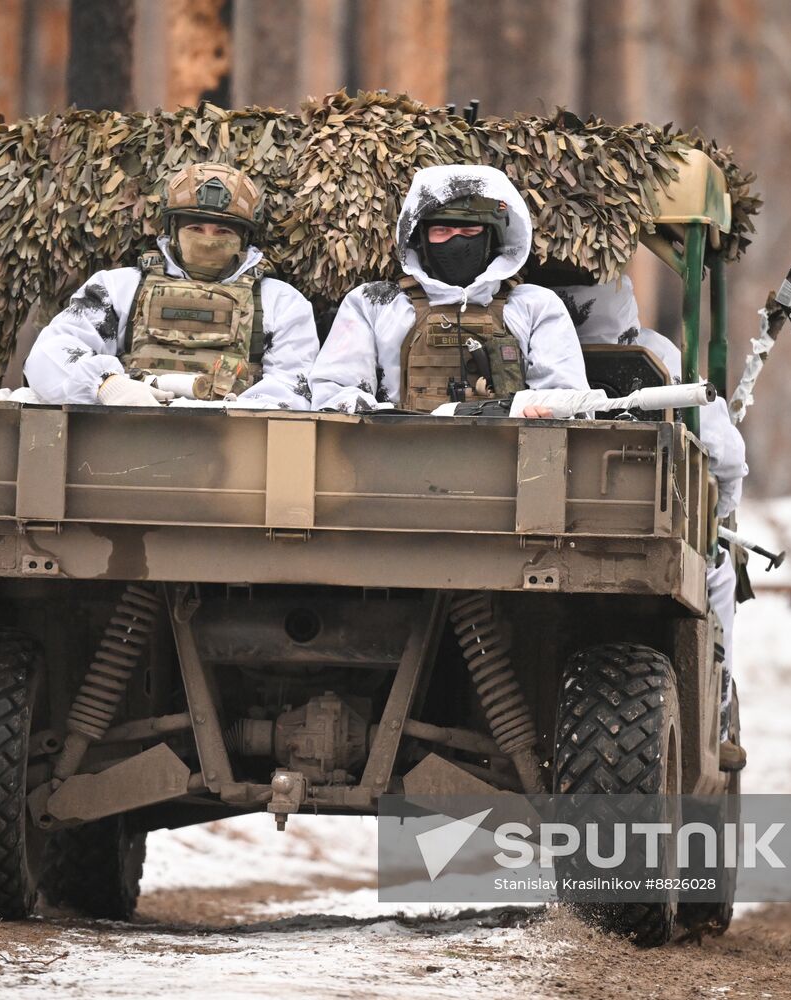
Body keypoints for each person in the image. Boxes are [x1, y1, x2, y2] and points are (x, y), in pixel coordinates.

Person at [559, 276, 748, 768]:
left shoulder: (520, 325)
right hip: (640, 527)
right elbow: (725, 454)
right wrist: (720, 508)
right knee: (720, 572)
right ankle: (719, 707)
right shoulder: (654, 353)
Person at [24, 162, 319, 409]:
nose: (207, 238)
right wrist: (108, 386)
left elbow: (292, 391)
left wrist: (209, 409)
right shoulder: (118, 288)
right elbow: (49, 355)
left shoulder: (280, 303)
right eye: (195, 228)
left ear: (244, 239)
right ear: (173, 231)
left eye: (222, 230)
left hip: (232, 443)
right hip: (124, 435)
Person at [309, 164, 589, 414]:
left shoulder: (534, 307)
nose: (456, 243)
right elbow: (333, 393)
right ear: (421, 239)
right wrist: (386, 418)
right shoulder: (375, 305)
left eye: (469, 233)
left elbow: (570, 398)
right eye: (442, 231)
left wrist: (543, 411)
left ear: (491, 239)